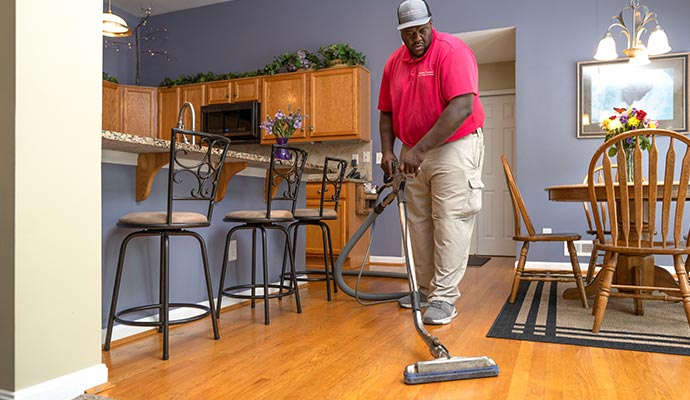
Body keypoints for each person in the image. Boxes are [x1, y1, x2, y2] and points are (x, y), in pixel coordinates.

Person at [378, 0, 485, 325]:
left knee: (450, 219)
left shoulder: (452, 50)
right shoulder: (394, 63)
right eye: (409, 33)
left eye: (422, 30)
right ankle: (424, 290)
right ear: (401, 32)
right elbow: (386, 112)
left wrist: (419, 150)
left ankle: (443, 298)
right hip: (413, 152)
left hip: (454, 146)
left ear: (431, 23)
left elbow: (462, 106)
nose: (417, 38)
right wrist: (388, 151)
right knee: (419, 222)